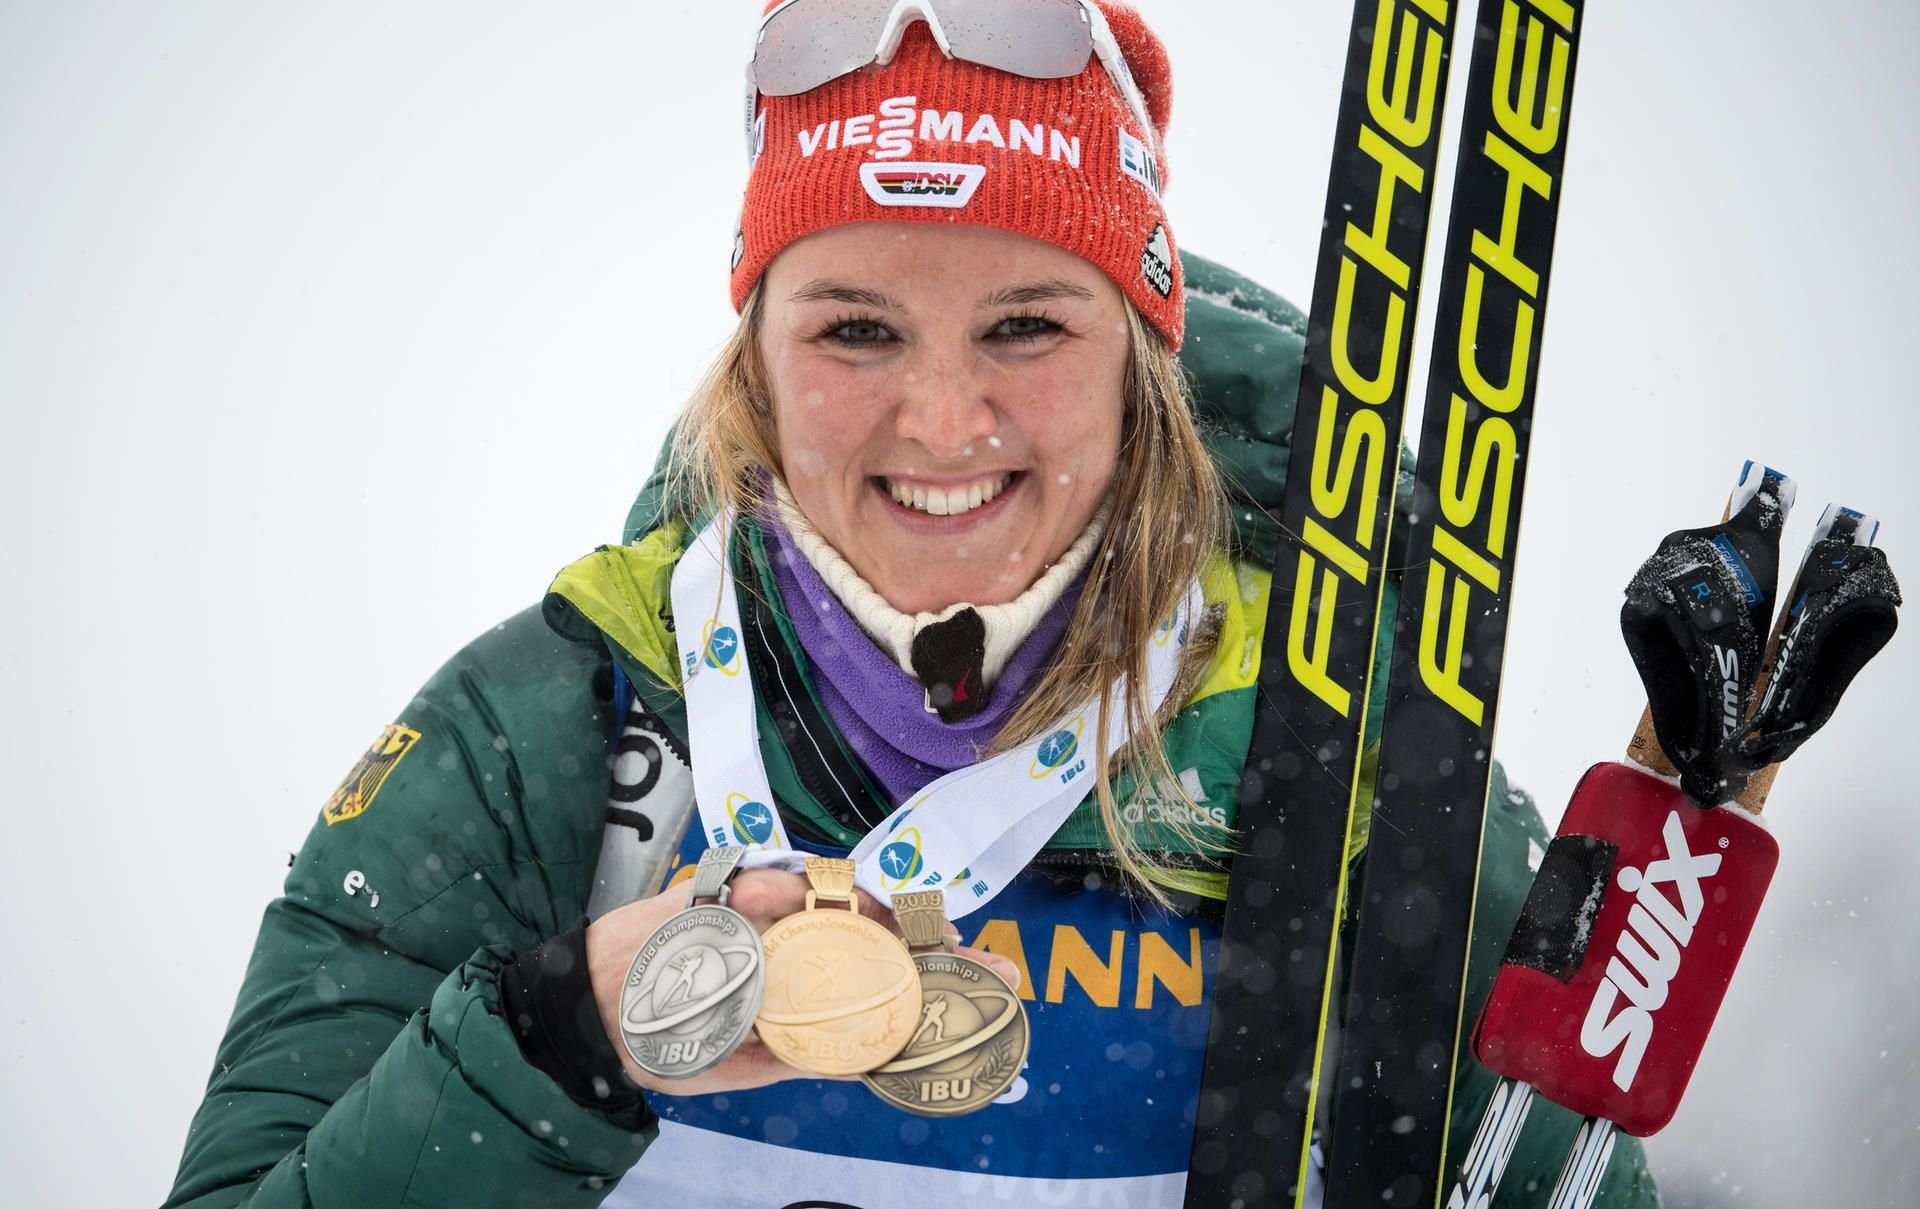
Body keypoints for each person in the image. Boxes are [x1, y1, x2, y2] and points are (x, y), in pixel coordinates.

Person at [163, 4, 1661, 1207]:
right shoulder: (552, 732)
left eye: (1028, 325)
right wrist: (558, 1039)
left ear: (1145, 361)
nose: (945, 423)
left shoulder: (1337, 747)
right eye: (856, 329)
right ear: (752, 360)